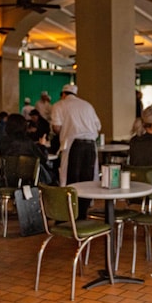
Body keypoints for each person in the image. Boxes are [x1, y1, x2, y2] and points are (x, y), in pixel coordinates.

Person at [51, 83, 101, 219]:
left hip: (74, 145)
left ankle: (69, 214)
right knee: (88, 180)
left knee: (71, 180)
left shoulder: (59, 105)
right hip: (91, 145)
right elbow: (98, 126)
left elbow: (56, 127)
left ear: (63, 94)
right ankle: (82, 214)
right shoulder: (87, 105)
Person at [0, 113, 55, 185]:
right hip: (28, 182)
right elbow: (43, 160)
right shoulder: (27, 142)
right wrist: (42, 146)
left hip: (8, 181)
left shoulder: (3, 142)